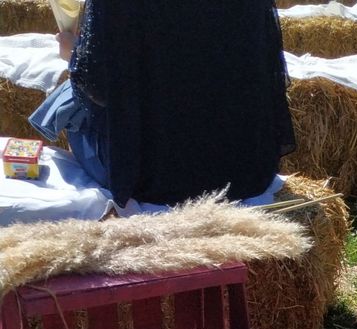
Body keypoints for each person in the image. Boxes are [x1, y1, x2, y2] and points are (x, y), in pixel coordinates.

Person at [30, 0, 296, 207]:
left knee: (70, 98)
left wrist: (73, 53)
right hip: (242, 166)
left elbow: (98, 88)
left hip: (152, 175)